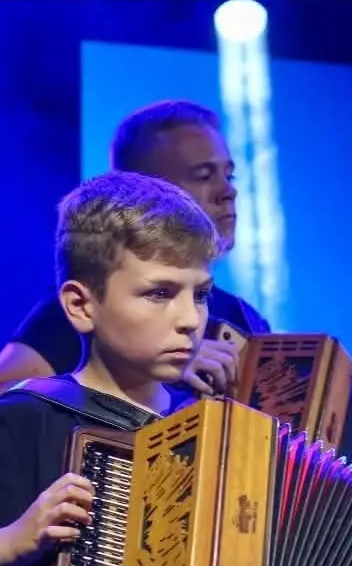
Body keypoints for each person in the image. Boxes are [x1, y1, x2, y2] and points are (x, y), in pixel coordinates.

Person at [0, 172, 352, 566]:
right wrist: (13, 539)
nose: (189, 318)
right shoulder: (31, 416)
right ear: (80, 305)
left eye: (199, 294)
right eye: (159, 293)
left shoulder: (228, 435)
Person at [0, 100, 264, 396]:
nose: (228, 191)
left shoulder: (245, 317)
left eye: (228, 175)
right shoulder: (96, 303)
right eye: (203, 175)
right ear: (147, 190)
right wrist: (156, 371)